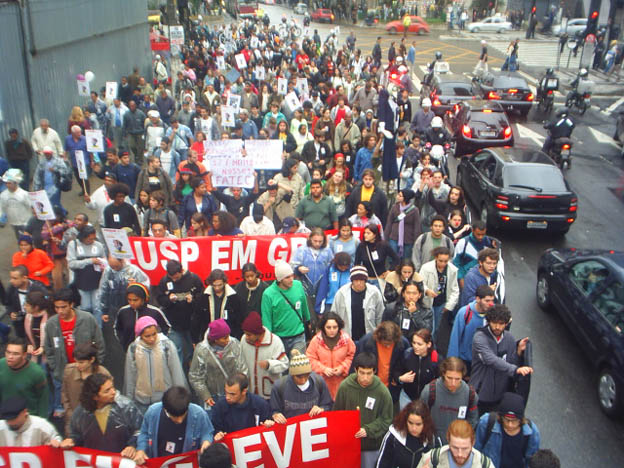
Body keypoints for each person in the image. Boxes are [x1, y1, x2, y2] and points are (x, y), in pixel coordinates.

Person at [44, 288, 106, 418]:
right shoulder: (51, 324)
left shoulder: (87, 319)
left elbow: (99, 343)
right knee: (70, 403)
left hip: (87, 370)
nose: (60, 311)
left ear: (71, 304)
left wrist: (95, 365)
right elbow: (48, 348)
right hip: (63, 371)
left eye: (63, 307)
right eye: (57, 307)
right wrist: (55, 366)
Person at [333, 352, 393, 468]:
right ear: (356, 370)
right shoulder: (345, 387)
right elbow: (337, 414)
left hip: (371, 447)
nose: (365, 378)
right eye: (362, 373)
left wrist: (368, 430)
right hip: (349, 445)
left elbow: (386, 419)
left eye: (369, 373)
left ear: (374, 371)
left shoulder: (382, 391)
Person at [61, 373, 143, 458]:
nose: (113, 392)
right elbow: (76, 434)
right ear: (95, 397)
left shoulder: (126, 406)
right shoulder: (81, 413)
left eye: (112, 387)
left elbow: (140, 430)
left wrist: (132, 446)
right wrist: (72, 440)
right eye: (107, 391)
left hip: (122, 459)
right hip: (93, 460)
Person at [471, 305, 532, 415]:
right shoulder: (479, 337)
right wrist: (515, 370)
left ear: (506, 323)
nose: (497, 327)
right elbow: (491, 360)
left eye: (501, 323)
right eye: (494, 322)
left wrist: (518, 351)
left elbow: (511, 362)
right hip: (479, 394)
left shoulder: (509, 338)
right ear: (488, 321)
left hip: (499, 396)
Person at [135, 386, 214, 465]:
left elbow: (207, 432)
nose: (180, 420)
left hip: (185, 462)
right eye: (175, 417)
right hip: (160, 461)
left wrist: (206, 442)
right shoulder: (153, 412)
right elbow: (144, 433)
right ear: (165, 409)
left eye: (183, 415)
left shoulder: (199, 414)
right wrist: (141, 450)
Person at [124, 316, 188, 414]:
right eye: (147, 336)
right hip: (142, 400)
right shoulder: (134, 349)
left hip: (164, 399)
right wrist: (129, 400)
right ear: (140, 335)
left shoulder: (166, 346)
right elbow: (130, 376)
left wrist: (179, 397)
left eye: (154, 334)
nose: (152, 339)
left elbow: (176, 372)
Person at [189, 319, 248, 416]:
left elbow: (242, 369)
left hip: (233, 393)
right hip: (212, 396)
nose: (228, 340)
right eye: (224, 338)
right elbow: (195, 376)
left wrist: (239, 390)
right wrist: (205, 395)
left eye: (228, 336)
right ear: (215, 339)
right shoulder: (202, 350)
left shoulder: (234, 344)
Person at [156, 260, 203, 368]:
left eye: (176, 277)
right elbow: (160, 299)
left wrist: (193, 300)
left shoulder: (193, 279)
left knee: (192, 350)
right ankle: (178, 372)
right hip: (173, 324)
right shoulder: (164, 281)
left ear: (181, 271)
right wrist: (168, 299)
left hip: (191, 323)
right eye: (171, 278)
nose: (174, 280)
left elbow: (202, 297)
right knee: (176, 350)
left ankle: (192, 369)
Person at [420, 357, 479, 444]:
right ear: (443, 374)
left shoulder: (470, 394)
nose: (453, 383)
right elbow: (421, 417)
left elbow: (472, 419)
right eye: (449, 378)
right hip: (432, 442)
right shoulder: (429, 391)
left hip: (457, 443)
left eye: (457, 379)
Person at [474, 392, 540, 467]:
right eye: (506, 420)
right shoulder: (486, 423)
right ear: (500, 417)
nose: (510, 424)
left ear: (521, 420)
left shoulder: (532, 432)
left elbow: (532, 461)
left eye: (514, 421)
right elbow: (476, 451)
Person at [261, 260, 311, 357]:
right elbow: (266, 319)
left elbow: (304, 306)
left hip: (298, 336)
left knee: (298, 365)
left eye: (292, 275)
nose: (291, 279)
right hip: (279, 339)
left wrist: (308, 321)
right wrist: (269, 340)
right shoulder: (268, 294)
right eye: (287, 277)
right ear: (279, 279)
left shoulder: (298, 285)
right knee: (282, 366)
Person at [61, 343, 112, 436]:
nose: (77, 365)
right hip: (73, 420)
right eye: (76, 361)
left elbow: (110, 398)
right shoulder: (69, 371)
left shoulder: (103, 374)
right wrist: (70, 414)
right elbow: (65, 394)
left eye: (81, 362)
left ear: (92, 360)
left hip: (97, 422)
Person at [270, 349, 333, 422]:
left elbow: (328, 405)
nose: (303, 380)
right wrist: (276, 415)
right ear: (292, 375)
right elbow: (273, 411)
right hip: (290, 426)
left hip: (313, 425)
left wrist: (321, 409)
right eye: (299, 377)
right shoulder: (279, 386)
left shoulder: (318, 381)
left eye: (306, 376)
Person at [306, 312, 356, 400]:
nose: (332, 330)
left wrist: (342, 368)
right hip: (322, 385)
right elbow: (310, 358)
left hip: (342, 384)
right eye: (328, 327)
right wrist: (323, 369)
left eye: (335, 327)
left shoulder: (347, 340)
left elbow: (352, 356)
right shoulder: (316, 341)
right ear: (323, 327)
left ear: (339, 327)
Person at [240, 311, 289, 400]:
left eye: (249, 335)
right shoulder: (244, 340)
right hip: (250, 393)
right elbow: (241, 362)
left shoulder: (275, 342)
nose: (246, 337)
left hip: (269, 393)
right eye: (245, 333)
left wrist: (269, 365)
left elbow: (284, 364)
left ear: (258, 333)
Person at [211, 373, 274, 441]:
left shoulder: (260, 404)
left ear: (244, 391)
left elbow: (270, 428)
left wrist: (269, 424)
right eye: (226, 392)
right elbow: (215, 429)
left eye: (232, 394)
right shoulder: (220, 407)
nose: (227, 397)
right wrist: (217, 434)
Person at [447, 285, 495, 373]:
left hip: (484, 361)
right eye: (487, 301)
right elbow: (455, 338)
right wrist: (452, 363)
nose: (490, 304)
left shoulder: (493, 313)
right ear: (478, 299)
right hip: (466, 360)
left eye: (492, 300)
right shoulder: (464, 313)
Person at [376, 400, 437, 468]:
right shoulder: (393, 437)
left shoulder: (431, 440)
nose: (414, 428)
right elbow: (381, 465)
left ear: (425, 423)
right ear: (405, 420)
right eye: (410, 423)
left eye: (418, 424)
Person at [331, 266, 385, 342]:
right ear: (352, 281)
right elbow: (334, 314)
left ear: (365, 280)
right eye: (356, 280)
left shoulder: (374, 292)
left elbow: (380, 315)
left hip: (369, 337)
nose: (359, 283)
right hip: (347, 337)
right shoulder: (341, 293)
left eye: (361, 280)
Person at [0, 336, 49, 418]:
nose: (10, 357)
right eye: (8, 352)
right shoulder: (1, 365)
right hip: (5, 416)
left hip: (29, 418)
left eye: (15, 354)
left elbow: (43, 400)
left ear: (24, 355)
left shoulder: (36, 372)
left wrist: (42, 420)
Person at [115, 283, 171, 351]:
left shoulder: (155, 312)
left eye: (135, 300)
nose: (132, 303)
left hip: (152, 350)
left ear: (143, 299)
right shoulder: (123, 312)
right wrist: (123, 342)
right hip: (130, 350)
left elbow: (167, 327)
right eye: (129, 300)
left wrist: (157, 342)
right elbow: (117, 328)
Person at [66, 225, 106, 319]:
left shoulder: (98, 245)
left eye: (93, 239)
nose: (91, 241)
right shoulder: (73, 245)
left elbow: (104, 260)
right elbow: (71, 264)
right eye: (89, 239)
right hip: (81, 281)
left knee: (97, 307)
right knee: (85, 307)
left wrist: (102, 265)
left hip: (97, 281)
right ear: (83, 237)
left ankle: (97, 326)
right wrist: (89, 261)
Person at [96, 255, 150, 325]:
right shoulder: (108, 271)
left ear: (121, 261)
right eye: (112, 267)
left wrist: (136, 285)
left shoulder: (133, 271)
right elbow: (103, 290)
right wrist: (104, 311)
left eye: (116, 266)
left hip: (131, 307)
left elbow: (145, 287)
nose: (114, 269)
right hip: (114, 308)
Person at [416, 420, 493, 468]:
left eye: (465, 449)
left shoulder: (485, 464)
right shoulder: (432, 459)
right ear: (448, 441)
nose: (460, 454)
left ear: (473, 443)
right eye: (455, 448)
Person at [195, 269, 245, 341]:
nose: (217, 288)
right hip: (209, 336)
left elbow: (239, 320)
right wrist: (195, 339)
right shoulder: (203, 297)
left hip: (228, 337)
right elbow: (197, 318)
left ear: (224, 282)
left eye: (219, 285)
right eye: (214, 285)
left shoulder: (234, 298)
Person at [420, 247, 459, 336]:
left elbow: (455, 289)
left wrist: (449, 306)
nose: (443, 264)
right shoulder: (426, 268)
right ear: (436, 258)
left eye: (446, 261)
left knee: (437, 327)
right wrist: (427, 290)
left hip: (441, 303)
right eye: (440, 261)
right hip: (427, 302)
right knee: (429, 328)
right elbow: (420, 283)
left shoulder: (452, 270)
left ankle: (433, 342)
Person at [6, 264, 48, 339]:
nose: (11, 281)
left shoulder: (38, 288)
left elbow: (47, 302)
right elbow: (8, 303)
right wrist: (11, 312)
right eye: (11, 278)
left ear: (24, 278)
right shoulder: (11, 289)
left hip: (36, 321)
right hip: (19, 324)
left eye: (15, 278)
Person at [355, 223, 399, 288]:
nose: (365, 235)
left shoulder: (383, 245)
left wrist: (389, 270)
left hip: (379, 279)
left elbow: (396, 259)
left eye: (368, 233)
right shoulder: (362, 246)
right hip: (366, 280)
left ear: (375, 234)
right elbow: (357, 263)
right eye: (365, 233)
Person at [385, 189, 422, 260]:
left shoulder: (414, 210)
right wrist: (386, 237)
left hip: (408, 239)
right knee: (392, 258)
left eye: (400, 196)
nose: (397, 197)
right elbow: (389, 223)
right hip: (394, 237)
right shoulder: (394, 207)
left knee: (406, 259)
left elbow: (417, 226)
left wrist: (416, 241)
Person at [0, 169, 31, 239]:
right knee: (19, 239)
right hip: (14, 223)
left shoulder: (24, 194)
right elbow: (2, 208)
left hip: (25, 222)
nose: (7, 185)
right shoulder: (3, 195)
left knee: (27, 240)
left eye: (9, 183)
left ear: (16, 183)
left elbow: (31, 207)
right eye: (6, 183)